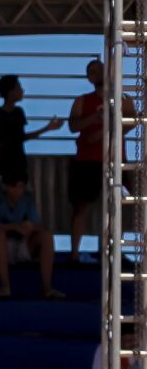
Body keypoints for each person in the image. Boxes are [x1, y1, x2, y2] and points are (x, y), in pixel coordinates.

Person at [0, 175, 63, 301]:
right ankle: (5, 287)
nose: (17, 191)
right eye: (13, 187)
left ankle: (47, 288)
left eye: (20, 187)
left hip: (20, 246)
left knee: (46, 236)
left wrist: (29, 227)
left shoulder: (27, 200)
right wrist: (14, 226)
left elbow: (39, 224)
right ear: (6, 186)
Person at [65, 57, 108, 261]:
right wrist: (95, 120)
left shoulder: (122, 98)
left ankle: (110, 252)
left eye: (101, 69)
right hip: (87, 160)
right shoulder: (83, 100)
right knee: (81, 207)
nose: (98, 73)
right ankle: (74, 253)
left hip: (113, 160)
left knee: (115, 207)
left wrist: (104, 133)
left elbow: (132, 121)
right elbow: (73, 126)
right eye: (94, 71)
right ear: (89, 78)